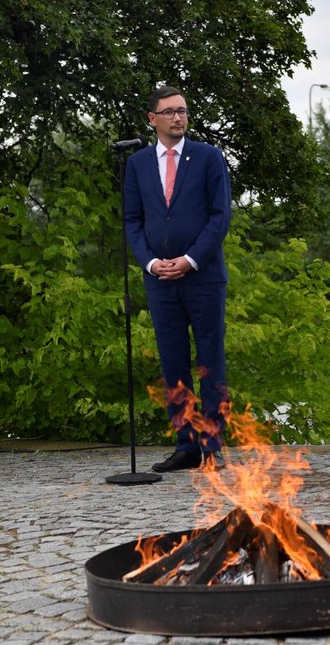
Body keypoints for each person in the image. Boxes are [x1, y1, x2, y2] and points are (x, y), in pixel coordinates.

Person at [124, 86, 232, 472]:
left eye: (183, 111)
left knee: (211, 363)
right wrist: (152, 263)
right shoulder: (136, 164)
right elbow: (133, 222)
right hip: (160, 280)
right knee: (173, 364)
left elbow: (220, 217)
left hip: (203, 277)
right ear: (152, 119)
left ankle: (213, 444)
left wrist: (189, 260)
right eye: (169, 112)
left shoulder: (207, 157)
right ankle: (186, 445)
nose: (178, 117)